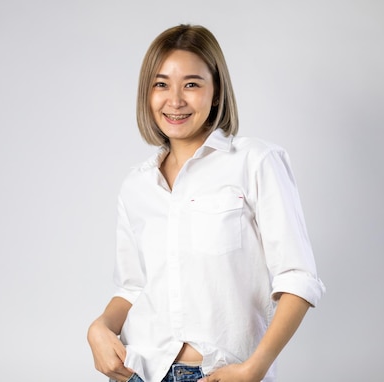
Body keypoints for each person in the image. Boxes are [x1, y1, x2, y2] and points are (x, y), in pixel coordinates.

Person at [87, 24, 325, 382]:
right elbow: (132, 287)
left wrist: (253, 369)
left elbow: (298, 278)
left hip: (221, 373)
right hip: (139, 370)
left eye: (192, 84)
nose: (175, 100)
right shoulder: (136, 185)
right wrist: (100, 327)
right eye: (161, 84)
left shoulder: (256, 162)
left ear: (216, 92)